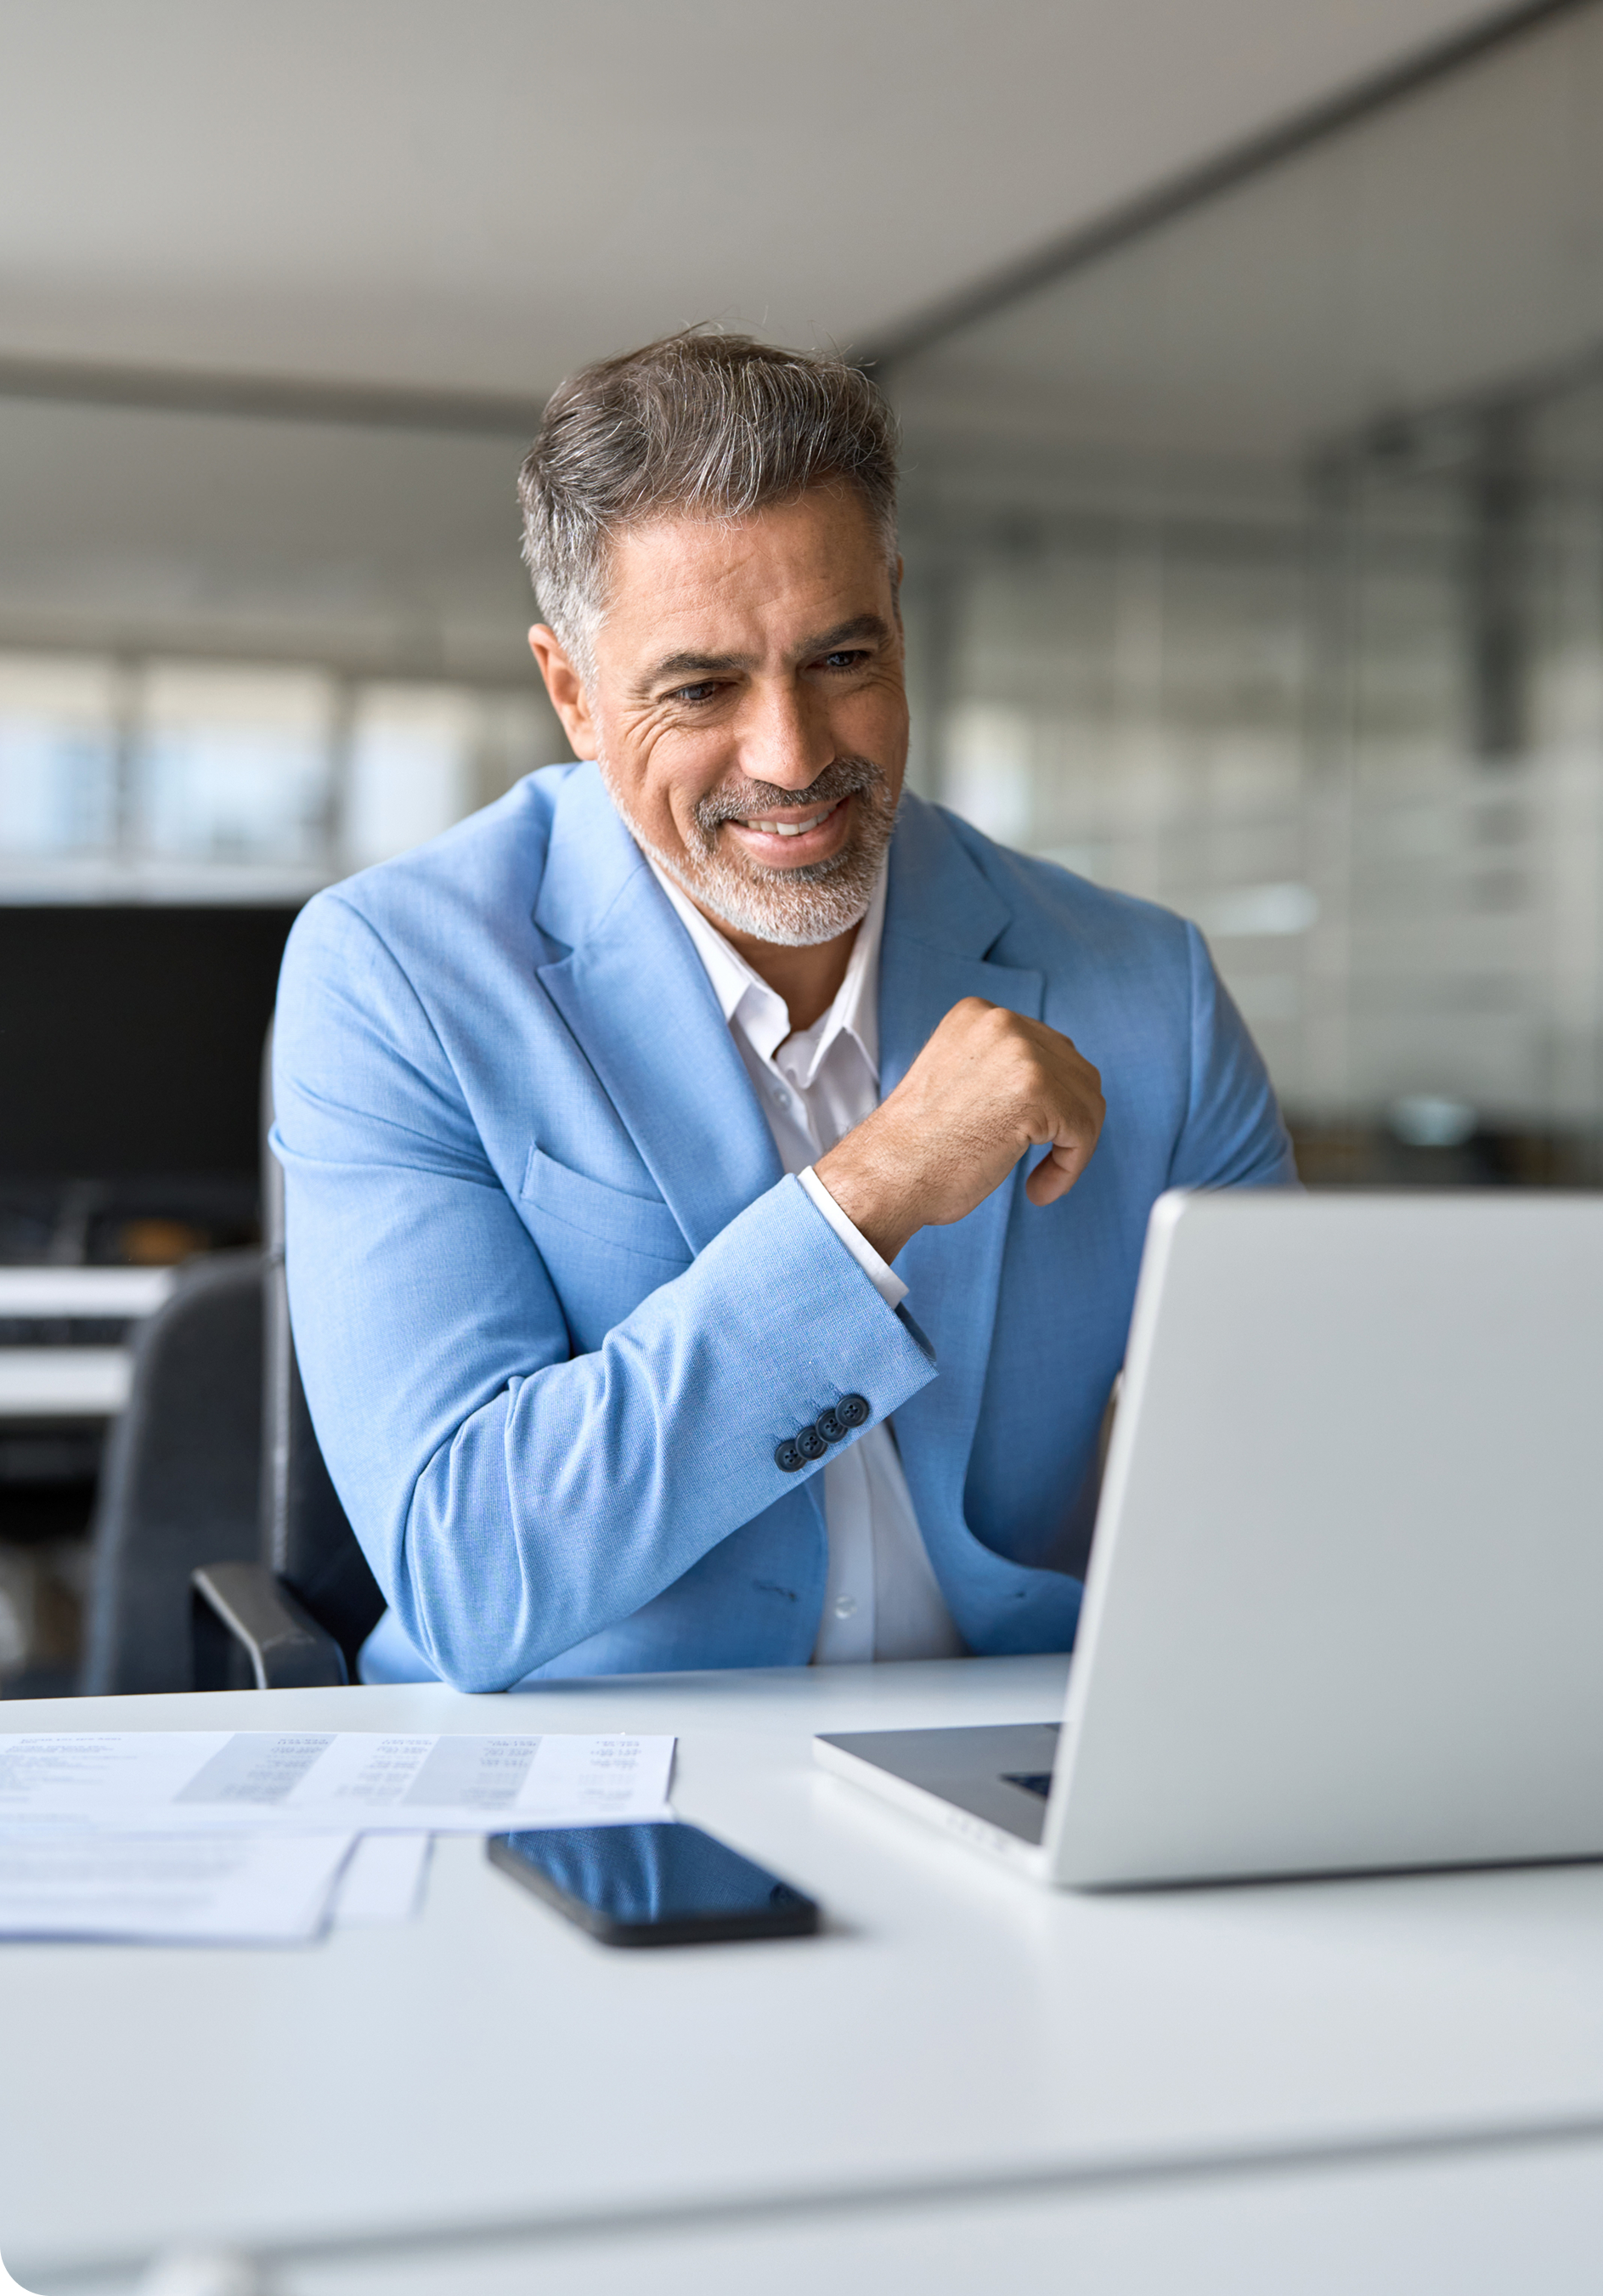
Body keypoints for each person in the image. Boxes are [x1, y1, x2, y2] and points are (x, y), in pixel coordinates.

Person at [273, 332, 1295, 1691]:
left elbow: (1303, 1473)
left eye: (841, 659)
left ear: (899, 618)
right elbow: (472, 1571)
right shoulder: (394, 975)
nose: (794, 756)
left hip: (1020, 1755)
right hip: (598, 1776)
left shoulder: (1145, 985)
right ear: (574, 693)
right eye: (701, 687)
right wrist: (870, 1191)